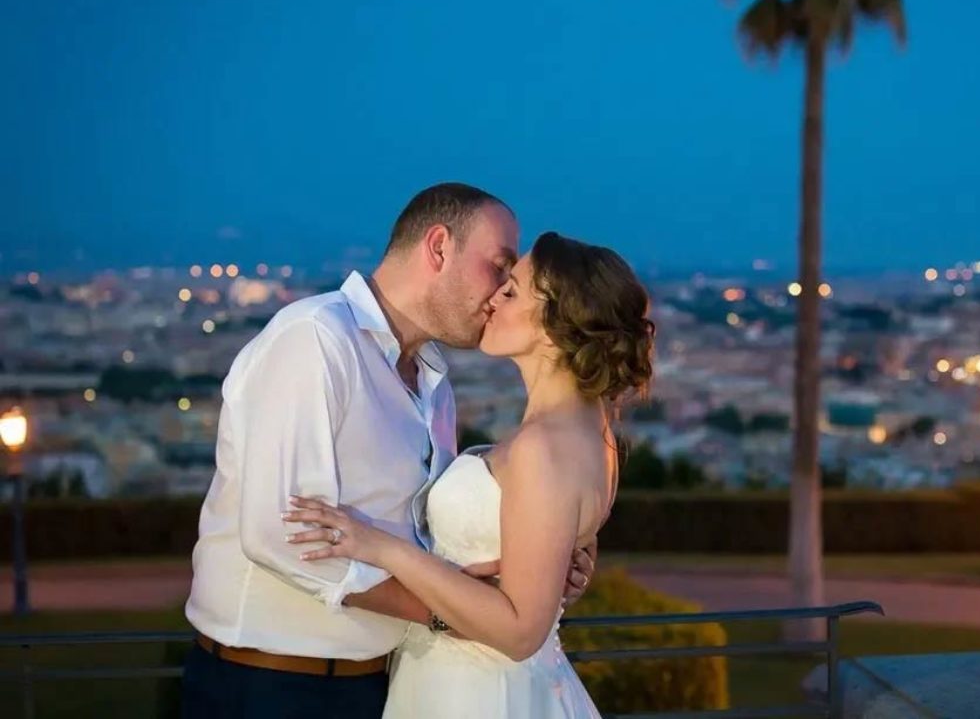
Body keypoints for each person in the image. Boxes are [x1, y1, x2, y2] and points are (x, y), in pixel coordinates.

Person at [182, 184, 596, 718]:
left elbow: (424, 537)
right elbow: (276, 536)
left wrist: (538, 568)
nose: (498, 294)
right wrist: (443, 614)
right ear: (439, 247)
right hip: (270, 684)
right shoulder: (315, 339)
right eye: (498, 267)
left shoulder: (434, 387)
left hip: (381, 685)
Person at [285, 230, 653, 718]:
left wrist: (376, 545)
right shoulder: (594, 430)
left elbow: (521, 632)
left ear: (555, 323)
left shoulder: (544, 445)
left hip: (477, 692)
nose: (493, 297)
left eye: (513, 289)